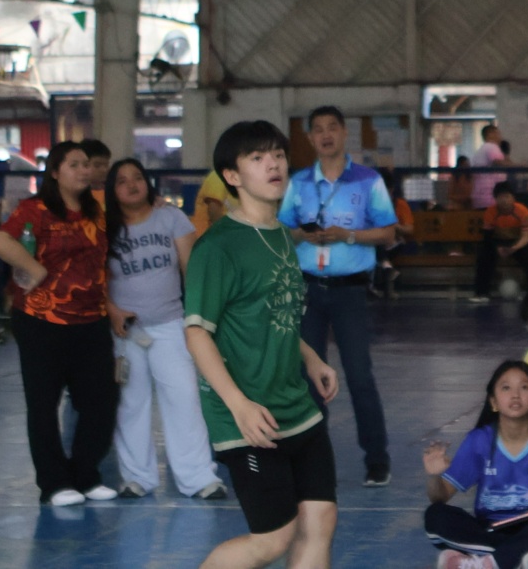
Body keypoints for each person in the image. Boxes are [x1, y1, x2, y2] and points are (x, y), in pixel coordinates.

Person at [185, 120, 340, 569]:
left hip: (293, 402)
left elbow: (277, 313)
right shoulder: (218, 248)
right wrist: (238, 405)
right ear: (232, 177)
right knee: (274, 538)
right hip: (248, 414)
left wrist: (310, 358)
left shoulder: (280, 235)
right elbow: (197, 333)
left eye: (276, 153)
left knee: (320, 518)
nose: (272, 163)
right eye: (256, 157)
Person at [0, 140, 118, 505]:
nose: (84, 171)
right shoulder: (36, 209)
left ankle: (86, 475)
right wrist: (34, 269)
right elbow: (1, 241)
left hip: (91, 319)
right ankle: (54, 483)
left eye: (87, 165)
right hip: (41, 319)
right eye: (74, 165)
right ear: (55, 172)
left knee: (100, 401)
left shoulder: (97, 211)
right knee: (44, 404)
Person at [278, 106, 396, 488]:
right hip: (307, 289)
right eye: (318, 130)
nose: (325, 135)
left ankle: (377, 459)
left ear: (344, 134)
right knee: (306, 378)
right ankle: (312, 461)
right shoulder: (297, 183)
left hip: (350, 292)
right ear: (310, 138)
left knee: (360, 375)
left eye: (332, 128)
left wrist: (347, 236)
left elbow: (388, 233)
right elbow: (280, 230)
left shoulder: (367, 181)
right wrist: (303, 236)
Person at [105, 157, 226, 502]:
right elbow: (98, 279)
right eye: (122, 181)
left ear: (148, 183)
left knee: (185, 399)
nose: (131, 185)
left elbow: (191, 270)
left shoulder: (170, 217)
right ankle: (136, 478)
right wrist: (111, 311)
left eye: (137, 178)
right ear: (113, 191)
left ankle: (199, 478)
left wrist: (195, 319)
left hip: (171, 325)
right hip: (126, 332)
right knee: (131, 404)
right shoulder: (103, 227)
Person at [423, 360, 528, 569]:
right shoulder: (479, 440)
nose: (515, 394)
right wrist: (434, 476)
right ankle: (515, 561)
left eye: (524, 387)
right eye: (506, 388)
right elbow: (440, 496)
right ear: (493, 402)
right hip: (491, 532)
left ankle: (485, 564)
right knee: (435, 515)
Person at [473, 185, 528, 308]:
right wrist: (498, 248)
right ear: (495, 199)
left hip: (518, 243)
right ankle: (481, 293)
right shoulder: (491, 213)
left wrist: (514, 248)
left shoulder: (522, 211)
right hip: (497, 242)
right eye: (500, 197)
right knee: (483, 256)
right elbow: (488, 237)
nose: (504, 200)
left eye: (507, 196)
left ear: (513, 198)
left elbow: (526, 236)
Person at [470, 124, 507, 211]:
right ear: (491, 134)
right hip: (490, 196)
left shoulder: (481, 149)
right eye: (498, 133)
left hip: (481, 197)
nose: (500, 136)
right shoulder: (491, 147)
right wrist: (520, 165)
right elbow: (499, 162)